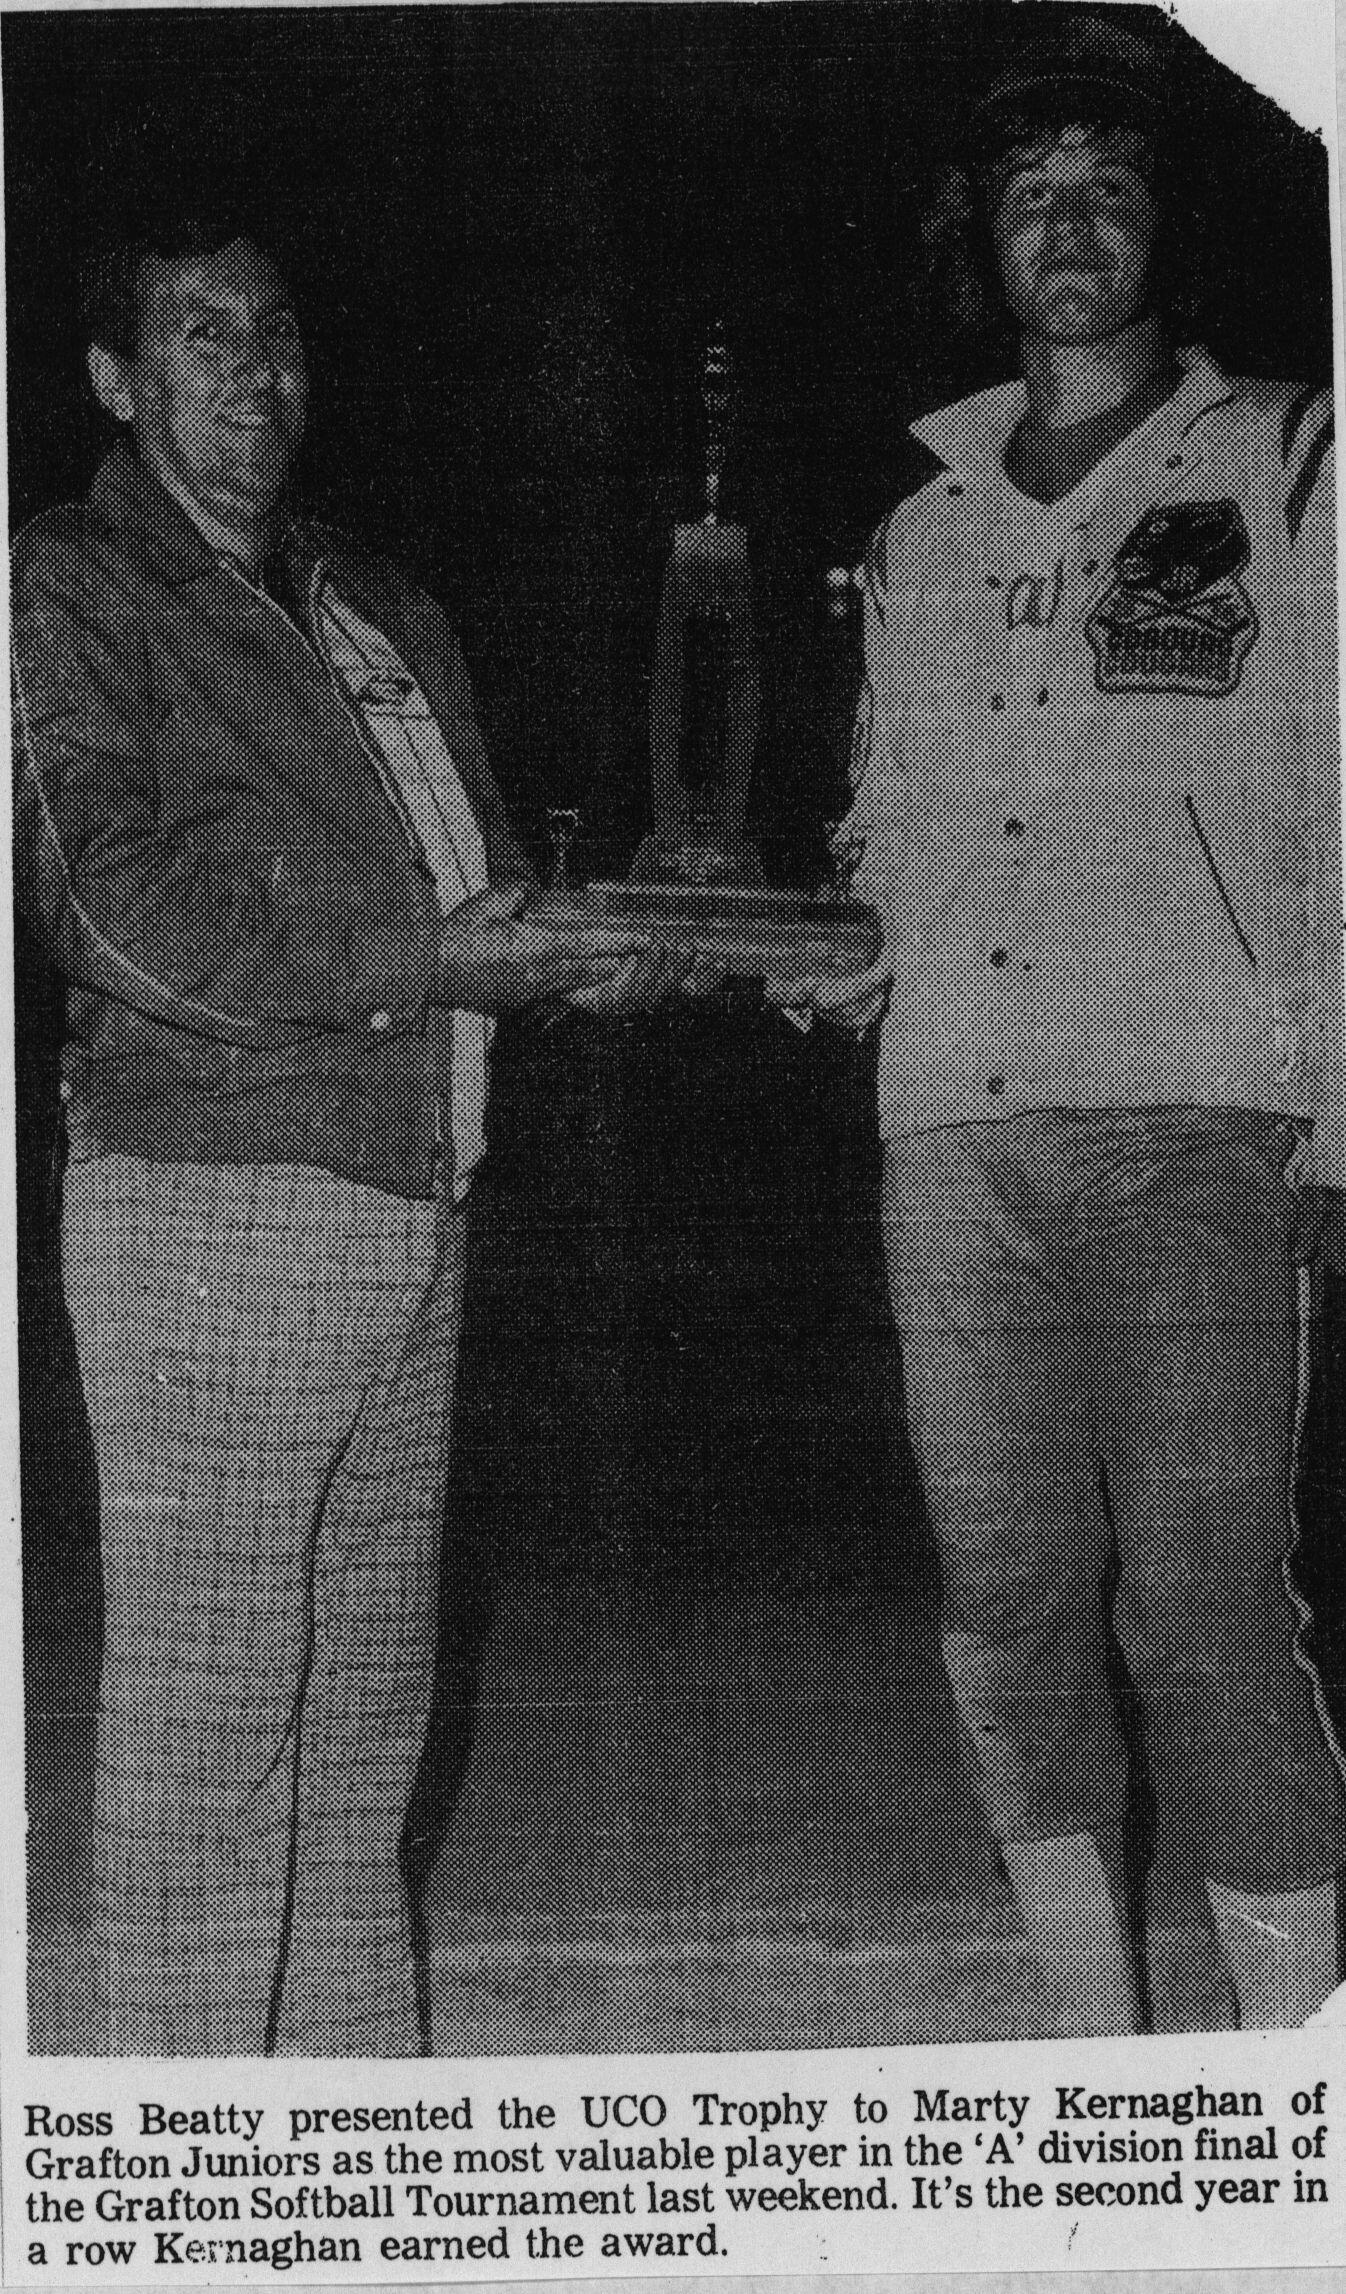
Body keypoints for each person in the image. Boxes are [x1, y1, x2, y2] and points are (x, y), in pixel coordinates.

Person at [12, 213, 693, 2055]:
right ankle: (181, 2179)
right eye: (203, 333)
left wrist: (575, 954)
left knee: (360, 1740)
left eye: (278, 330)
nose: (256, 369)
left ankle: (351, 2158)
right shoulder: (61, 584)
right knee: (207, 1748)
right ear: (117, 378)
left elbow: (461, 893)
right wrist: (432, 955)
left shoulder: (382, 603)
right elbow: (104, 905)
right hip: (210, 1207)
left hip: (414, 1205)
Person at [812, 19, 1346, 2033]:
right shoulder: (919, 529)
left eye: (1109, 183)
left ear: (1158, 224)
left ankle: (1303, 2076)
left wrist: (1343, 1122)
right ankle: (1091, 2058)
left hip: (1202, 1122)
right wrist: (811, 939)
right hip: (952, 1126)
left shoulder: (1291, 456)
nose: (1073, 221)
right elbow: (885, 825)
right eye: (1034, 188)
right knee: (1005, 1610)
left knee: (1206, 1609)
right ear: (984, 231)